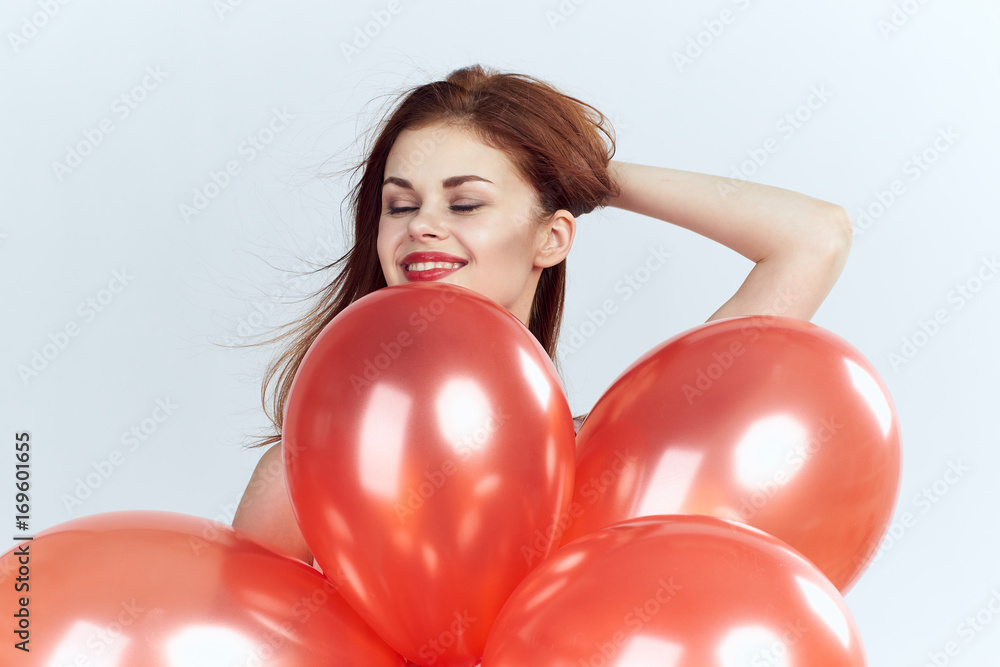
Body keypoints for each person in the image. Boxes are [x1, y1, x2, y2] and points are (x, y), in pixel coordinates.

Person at [231, 64, 852, 565]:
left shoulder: (611, 453)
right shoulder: (311, 469)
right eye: (399, 206)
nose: (422, 225)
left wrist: (582, 175)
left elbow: (813, 238)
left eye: (465, 203)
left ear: (552, 239)